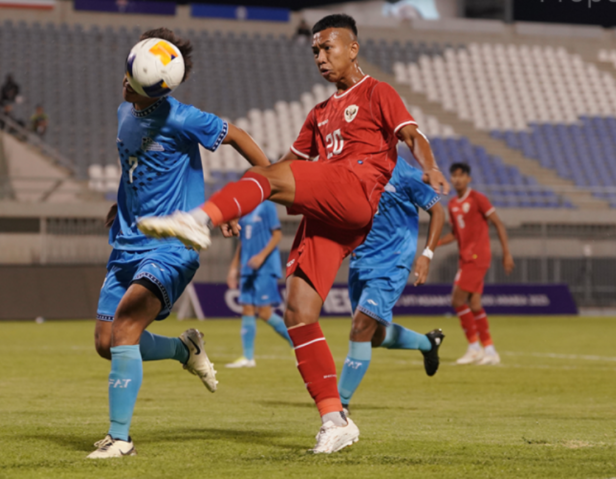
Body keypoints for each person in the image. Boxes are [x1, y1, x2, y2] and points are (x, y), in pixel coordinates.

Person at [138, 14, 448, 454]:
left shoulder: (378, 92)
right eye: (315, 51)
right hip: (331, 214)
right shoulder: (319, 113)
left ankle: (197, 219)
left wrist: (430, 166)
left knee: (268, 178)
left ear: (353, 48)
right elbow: (280, 166)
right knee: (299, 312)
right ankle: (335, 419)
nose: (321, 57)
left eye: (329, 48)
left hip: (357, 188)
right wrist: (242, 205)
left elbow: (412, 135)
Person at [88, 28, 272, 459]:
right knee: (105, 342)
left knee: (127, 328)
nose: (124, 83)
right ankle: (183, 348)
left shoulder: (183, 117)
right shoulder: (124, 111)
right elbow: (133, 166)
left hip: (173, 245)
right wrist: (121, 204)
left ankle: (120, 439)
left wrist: (267, 187)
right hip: (127, 243)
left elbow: (240, 136)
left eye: (132, 80)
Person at [337, 159, 446, 413]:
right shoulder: (354, 167)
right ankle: (428, 343)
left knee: (360, 327)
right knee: (373, 336)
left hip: (393, 262)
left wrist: (427, 254)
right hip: (360, 262)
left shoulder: (406, 173)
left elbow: (438, 212)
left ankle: (338, 406)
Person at [438, 162, 514, 366]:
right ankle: (489, 350)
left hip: (478, 257)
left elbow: (498, 223)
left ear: (468, 178)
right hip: (465, 258)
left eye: (461, 175)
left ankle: (474, 347)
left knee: (457, 300)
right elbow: (455, 233)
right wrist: (436, 242)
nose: (457, 179)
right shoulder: (452, 204)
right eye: (454, 175)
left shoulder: (478, 198)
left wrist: (507, 253)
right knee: (474, 304)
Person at [225, 201, 292, 368]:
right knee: (247, 308)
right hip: (248, 267)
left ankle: (297, 344)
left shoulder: (267, 206)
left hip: (265, 267)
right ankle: (248, 358)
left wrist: (261, 256)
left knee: (264, 312)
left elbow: (277, 235)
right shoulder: (244, 210)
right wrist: (233, 267)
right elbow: (242, 242)